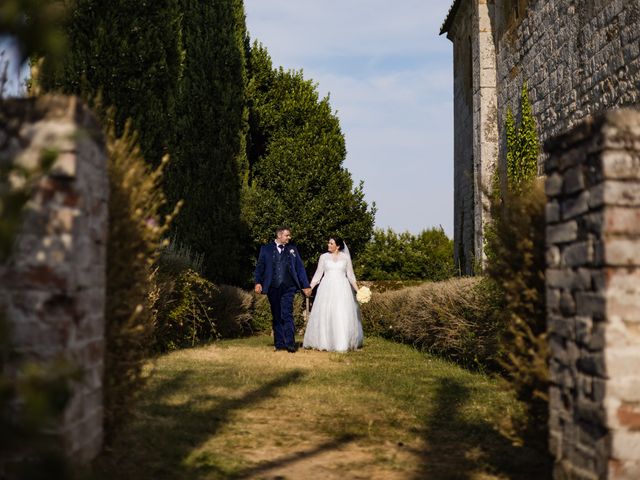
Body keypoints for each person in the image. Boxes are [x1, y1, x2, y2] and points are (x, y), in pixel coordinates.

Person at [255, 226, 312, 353]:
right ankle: (279, 344)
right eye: (287, 235)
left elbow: (300, 268)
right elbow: (260, 267)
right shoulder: (266, 249)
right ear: (279, 235)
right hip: (272, 287)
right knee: (276, 315)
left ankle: (290, 344)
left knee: (287, 313)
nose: (289, 238)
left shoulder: (293, 249)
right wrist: (258, 282)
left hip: (289, 287)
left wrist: (306, 285)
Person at [303, 236, 364, 352]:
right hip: (326, 289)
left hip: (342, 289)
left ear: (338, 246)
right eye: (328, 243)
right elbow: (318, 274)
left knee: (341, 314)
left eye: (331, 243)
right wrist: (310, 287)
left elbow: (351, 276)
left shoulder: (345, 258)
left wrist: (358, 290)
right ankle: (324, 342)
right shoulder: (323, 257)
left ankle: (341, 343)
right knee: (326, 314)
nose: (328, 245)